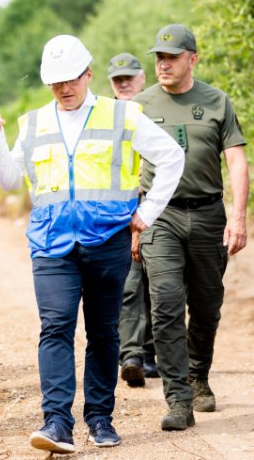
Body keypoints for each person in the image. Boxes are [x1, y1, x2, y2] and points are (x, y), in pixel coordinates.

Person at [0, 35, 184, 454]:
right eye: (55, 81)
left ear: (88, 74)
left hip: (108, 242)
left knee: (103, 331)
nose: (63, 88)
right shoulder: (35, 122)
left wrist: (147, 215)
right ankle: (56, 422)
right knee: (55, 328)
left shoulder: (123, 115)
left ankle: (99, 418)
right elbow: (6, 179)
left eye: (71, 79)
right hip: (51, 243)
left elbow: (171, 157)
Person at [135, 24, 249, 431]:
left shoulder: (218, 102)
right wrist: (134, 220)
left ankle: (199, 374)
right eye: (158, 58)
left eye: (171, 57)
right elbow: (126, 166)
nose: (163, 64)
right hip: (159, 215)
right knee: (165, 302)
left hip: (207, 215)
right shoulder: (140, 105)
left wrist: (238, 216)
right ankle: (178, 396)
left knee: (206, 306)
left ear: (192, 59)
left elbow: (235, 160)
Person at [107, 53, 159, 387]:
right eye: (118, 79)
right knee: (129, 284)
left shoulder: (155, 111)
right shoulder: (106, 117)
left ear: (142, 79)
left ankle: (152, 353)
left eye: (129, 78)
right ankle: (131, 355)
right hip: (120, 209)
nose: (124, 84)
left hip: (156, 206)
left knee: (160, 284)